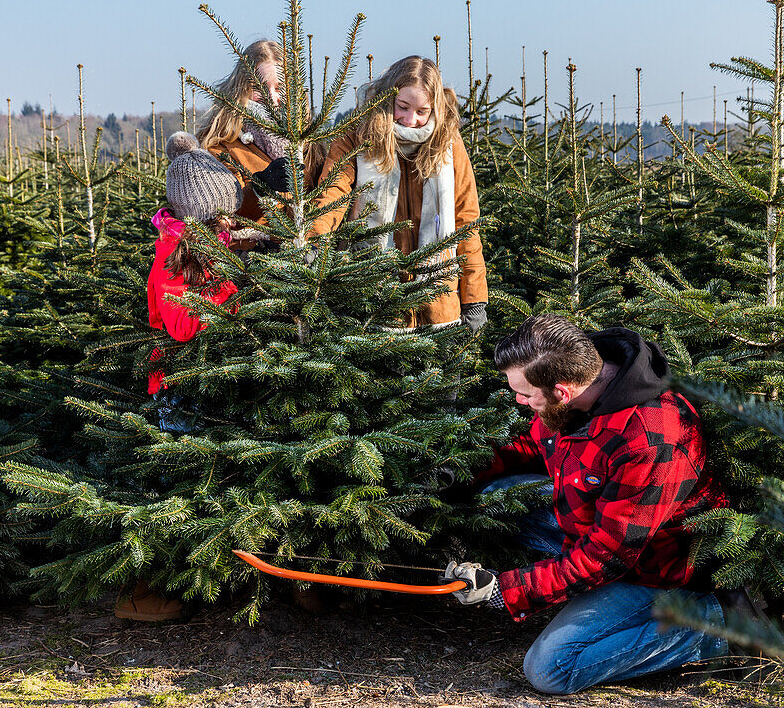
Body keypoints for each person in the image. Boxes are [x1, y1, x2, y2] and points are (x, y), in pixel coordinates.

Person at [443, 314, 731, 694]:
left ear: (562, 391)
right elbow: (535, 446)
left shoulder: (649, 440)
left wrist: (507, 590)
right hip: (601, 525)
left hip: (658, 570)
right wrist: (457, 475)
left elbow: (607, 556)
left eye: (526, 395)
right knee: (499, 494)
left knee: (550, 670)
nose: (519, 401)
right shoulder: (578, 388)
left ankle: (716, 629)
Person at [117, 131, 242, 622]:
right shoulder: (171, 255)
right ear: (200, 215)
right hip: (176, 385)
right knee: (177, 487)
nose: (228, 222)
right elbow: (183, 324)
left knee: (204, 479)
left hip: (203, 381)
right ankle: (144, 593)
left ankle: (199, 582)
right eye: (220, 216)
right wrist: (234, 284)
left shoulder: (205, 242)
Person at [311, 55, 487, 331]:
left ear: (435, 109)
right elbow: (332, 196)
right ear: (387, 98)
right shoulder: (355, 140)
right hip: (373, 304)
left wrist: (475, 299)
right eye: (402, 107)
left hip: (438, 304)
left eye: (422, 111)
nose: (410, 120)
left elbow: (466, 220)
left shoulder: (448, 146)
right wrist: (314, 243)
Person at [197, 40, 324, 233]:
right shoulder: (221, 147)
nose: (272, 98)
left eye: (279, 87)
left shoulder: (309, 143)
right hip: (248, 257)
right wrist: (260, 186)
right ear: (242, 89)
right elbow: (221, 217)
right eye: (260, 88)